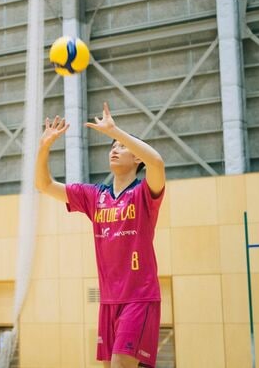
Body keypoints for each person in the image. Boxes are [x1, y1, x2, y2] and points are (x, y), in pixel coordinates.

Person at [35, 102, 166, 368]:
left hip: (139, 297)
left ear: (137, 158)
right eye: (113, 146)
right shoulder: (96, 196)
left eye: (121, 146)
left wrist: (115, 131)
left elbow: (157, 161)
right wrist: (44, 148)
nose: (115, 149)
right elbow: (44, 185)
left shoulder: (144, 193)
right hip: (108, 300)